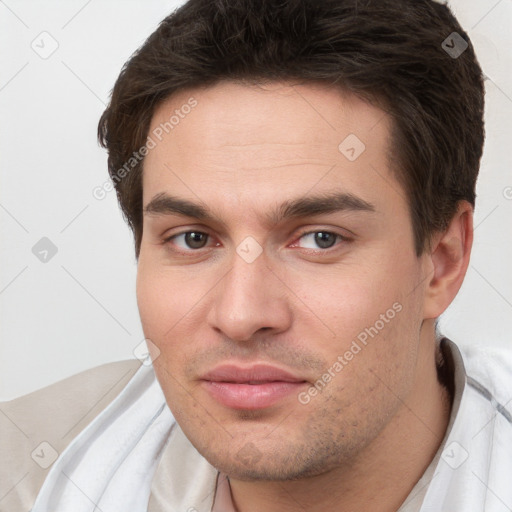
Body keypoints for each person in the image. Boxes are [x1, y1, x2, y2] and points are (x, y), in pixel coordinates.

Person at [2, 0, 511, 511]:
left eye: (320, 239)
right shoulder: (23, 476)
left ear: (442, 262)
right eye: (193, 239)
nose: (241, 316)